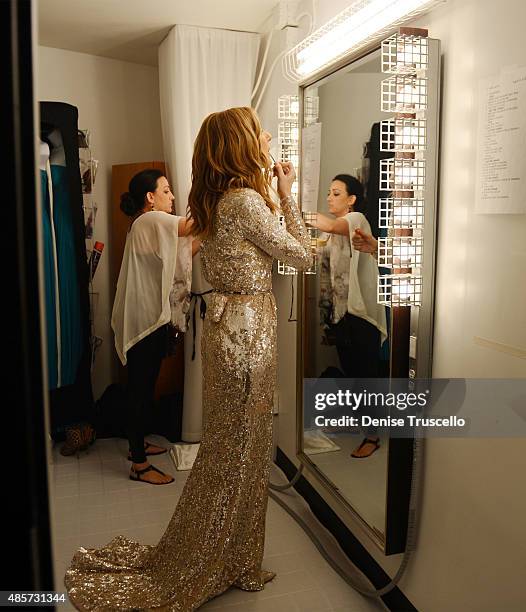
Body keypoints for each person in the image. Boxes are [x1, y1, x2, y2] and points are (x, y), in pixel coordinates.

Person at [65, 107, 312, 610]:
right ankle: (211, 560)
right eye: (260, 131)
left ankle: (234, 557)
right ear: (242, 143)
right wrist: (287, 196)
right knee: (237, 452)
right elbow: (303, 255)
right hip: (246, 334)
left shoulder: (221, 197)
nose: (268, 137)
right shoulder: (244, 201)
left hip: (231, 330)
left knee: (234, 450)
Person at [112, 168, 200, 485]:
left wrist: (204, 237)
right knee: (140, 388)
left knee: (145, 386)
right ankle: (138, 463)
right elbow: (192, 226)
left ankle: (137, 443)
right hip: (143, 319)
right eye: (166, 190)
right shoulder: (149, 220)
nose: (172, 196)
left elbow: (181, 257)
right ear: (150, 197)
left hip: (145, 316)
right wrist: (217, 189)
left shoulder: (147, 225)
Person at [308, 175, 387, 458]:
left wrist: (292, 205)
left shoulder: (357, 220)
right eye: (329, 193)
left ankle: (373, 435)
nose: (329, 198)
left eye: (336, 193)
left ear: (351, 199)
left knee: (367, 376)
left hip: (360, 312)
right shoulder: (332, 233)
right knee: (352, 372)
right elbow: (315, 252)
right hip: (340, 312)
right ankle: (360, 422)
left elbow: (330, 224)